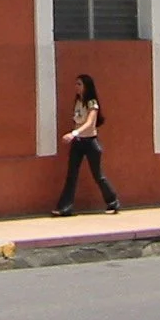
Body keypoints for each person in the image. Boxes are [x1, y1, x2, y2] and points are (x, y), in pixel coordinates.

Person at [52, 73, 120, 217]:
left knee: (98, 175)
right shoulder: (78, 102)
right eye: (76, 84)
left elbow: (90, 124)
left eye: (79, 84)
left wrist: (73, 133)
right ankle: (65, 207)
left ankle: (113, 201)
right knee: (71, 175)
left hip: (90, 143)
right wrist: (76, 136)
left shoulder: (92, 103)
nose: (76, 87)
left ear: (86, 86)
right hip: (78, 144)